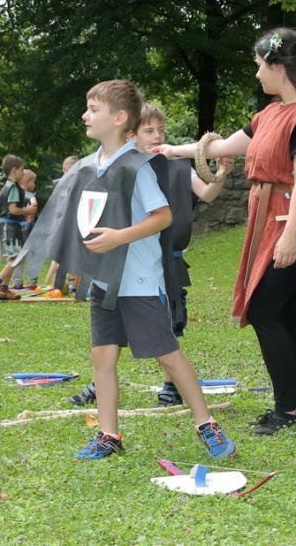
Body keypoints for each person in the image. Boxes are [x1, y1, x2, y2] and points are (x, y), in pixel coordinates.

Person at [153, 28, 296, 435]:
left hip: (294, 218)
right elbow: (223, 147)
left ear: (278, 66)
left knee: (265, 310)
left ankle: (287, 410)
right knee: (285, 314)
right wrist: (173, 151)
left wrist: (290, 236)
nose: (257, 74)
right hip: (268, 217)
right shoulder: (269, 114)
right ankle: (294, 410)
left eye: (260, 66)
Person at [45, 79, 235, 461]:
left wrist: (120, 238)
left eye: (93, 109)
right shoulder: (90, 166)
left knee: (166, 353)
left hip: (141, 282)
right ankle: (108, 434)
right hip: (105, 282)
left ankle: (207, 425)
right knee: (102, 356)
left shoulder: (138, 166)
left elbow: (162, 217)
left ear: (119, 118)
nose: (85, 115)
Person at [68, 104, 235, 408]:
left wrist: (222, 172)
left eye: (161, 130)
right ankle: (99, 383)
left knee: (166, 322)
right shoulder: (119, 168)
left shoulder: (176, 166)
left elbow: (208, 193)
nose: (158, 136)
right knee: (109, 329)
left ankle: (171, 386)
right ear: (130, 134)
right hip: (122, 259)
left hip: (164, 258)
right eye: (149, 130)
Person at [0, 155, 35, 300]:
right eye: (21, 170)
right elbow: (13, 209)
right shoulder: (13, 187)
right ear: (14, 170)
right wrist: (27, 211)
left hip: (9, 226)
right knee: (15, 258)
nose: (23, 172)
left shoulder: (10, 186)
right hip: (7, 227)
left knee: (15, 258)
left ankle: (4, 288)